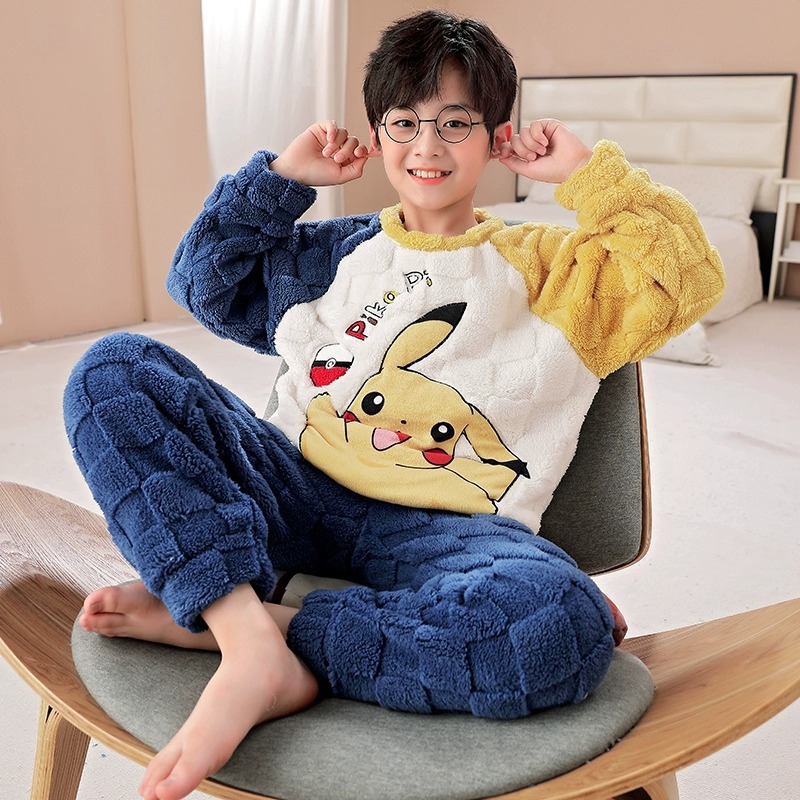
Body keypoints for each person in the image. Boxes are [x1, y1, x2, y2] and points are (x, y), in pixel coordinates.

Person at [63, 10, 724, 800]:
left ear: (496, 136)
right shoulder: (333, 253)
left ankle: (275, 630)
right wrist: (281, 180)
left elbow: (687, 277)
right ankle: (243, 637)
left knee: (559, 627)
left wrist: (587, 175)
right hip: (291, 487)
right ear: (377, 135)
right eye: (404, 122)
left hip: (451, 534)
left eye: (455, 123)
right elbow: (203, 281)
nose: (427, 146)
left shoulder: (557, 271)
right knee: (113, 371)